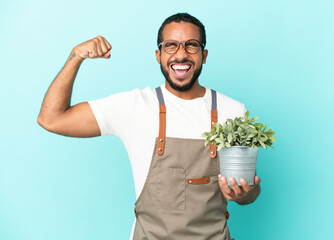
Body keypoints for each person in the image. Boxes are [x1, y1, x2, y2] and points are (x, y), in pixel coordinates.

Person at [37, 12, 261, 240]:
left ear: (204, 55)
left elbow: (249, 191)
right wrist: (76, 56)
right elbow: (51, 118)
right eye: (171, 46)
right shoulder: (134, 106)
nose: (181, 54)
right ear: (158, 55)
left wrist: (245, 193)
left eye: (191, 46)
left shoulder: (233, 112)